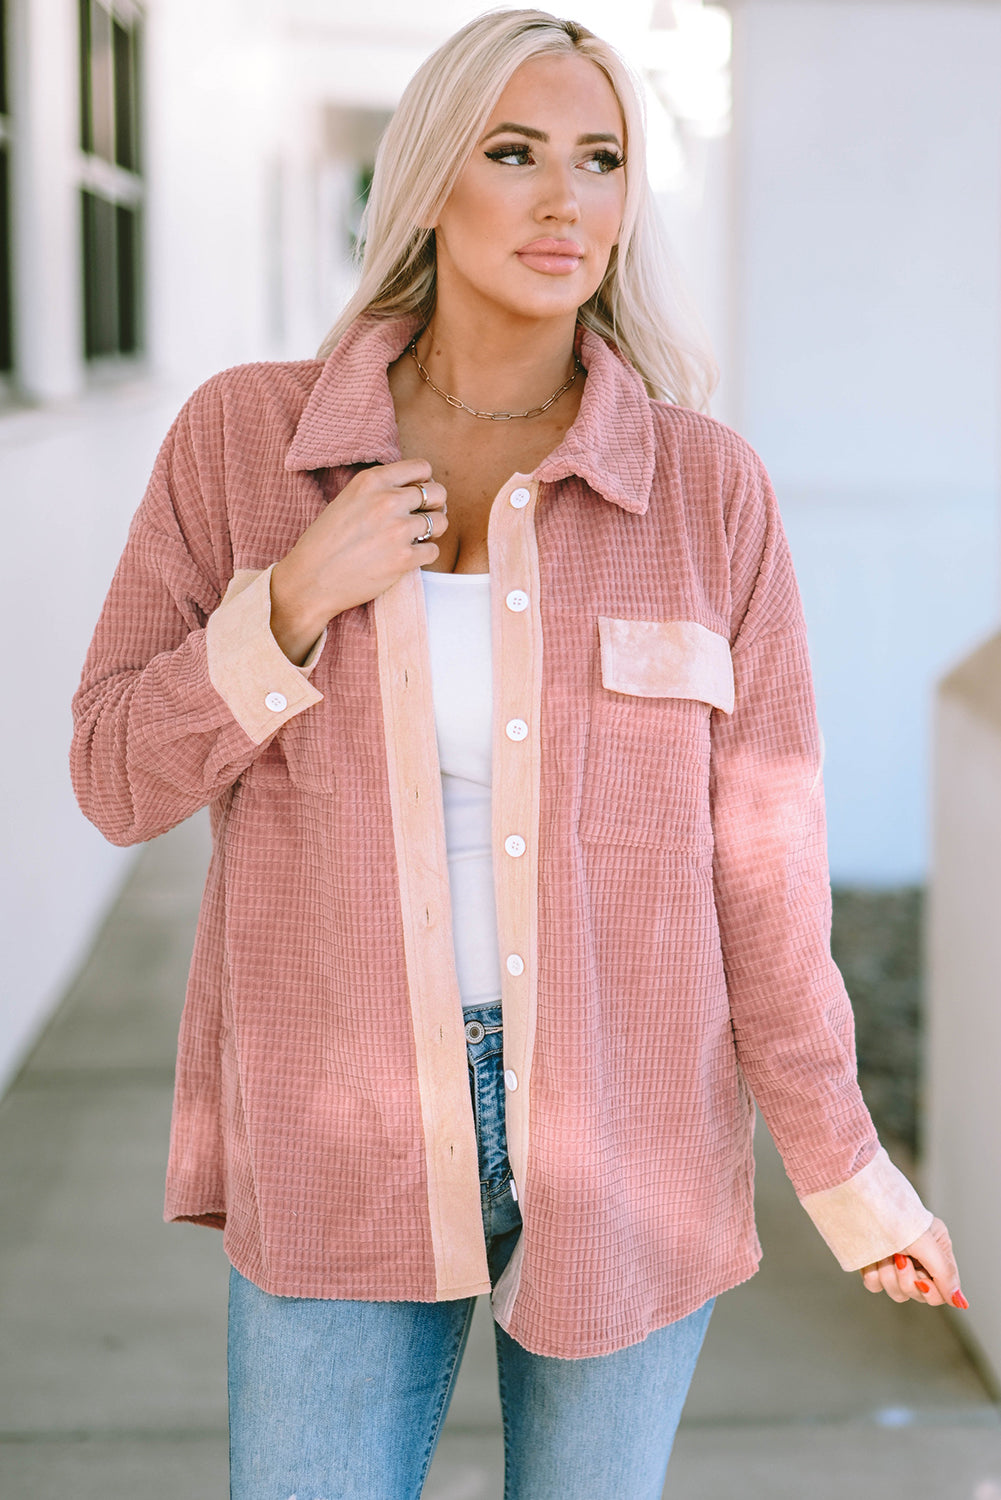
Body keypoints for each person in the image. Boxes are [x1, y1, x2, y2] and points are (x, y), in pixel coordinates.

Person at [71, 9, 966, 1497]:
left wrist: (839, 1163)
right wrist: (289, 600)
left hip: (633, 1121)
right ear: (429, 181)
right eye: (514, 153)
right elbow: (112, 776)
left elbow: (761, 861)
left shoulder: (703, 493)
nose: (565, 201)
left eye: (600, 160)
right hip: (336, 1118)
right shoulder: (247, 445)